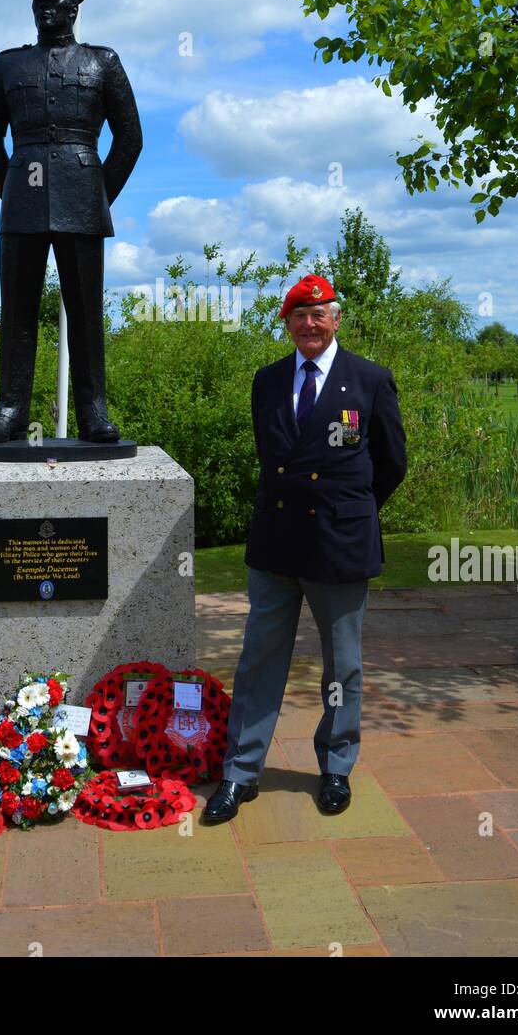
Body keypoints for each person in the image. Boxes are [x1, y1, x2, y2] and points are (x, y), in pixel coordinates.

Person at [204, 274, 407, 823]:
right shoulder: (267, 380)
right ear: (287, 324)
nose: (309, 324)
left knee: (343, 666)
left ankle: (336, 767)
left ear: (336, 318)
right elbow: (269, 458)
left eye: (319, 314)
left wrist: (352, 511)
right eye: (299, 315)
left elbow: (391, 465)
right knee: (259, 661)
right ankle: (240, 773)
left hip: (339, 546)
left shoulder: (369, 379)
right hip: (277, 542)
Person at [0, 0, 142, 443]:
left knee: (86, 313)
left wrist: (96, 196)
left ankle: (93, 412)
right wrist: (12, 190)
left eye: (53, 1)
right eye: (37, 2)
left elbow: (130, 138)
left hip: (83, 200)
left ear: (73, 6)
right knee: (18, 310)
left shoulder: (102, 62)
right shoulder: (8, 64)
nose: (44, 10)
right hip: (22, 204)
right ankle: (10, 409)